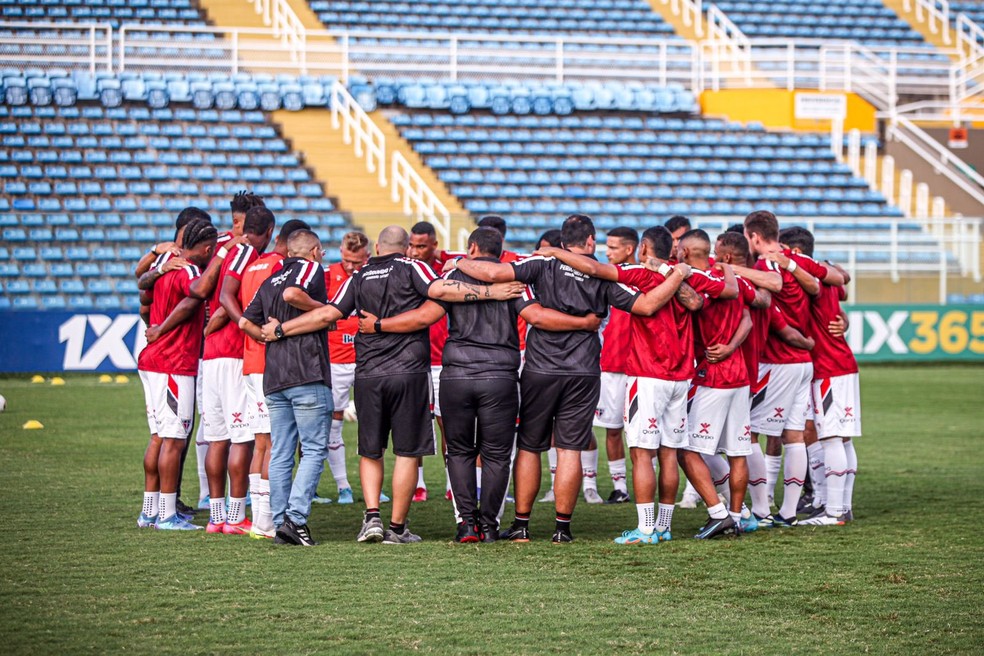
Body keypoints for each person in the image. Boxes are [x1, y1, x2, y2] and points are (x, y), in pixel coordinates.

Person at [259, 226, 524, 544]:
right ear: (405, 248)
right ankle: (397, 528)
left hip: (368, 374)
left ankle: (372, 517)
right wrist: (491, 293)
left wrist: (281, 330)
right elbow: (440, 294)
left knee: (371, 451)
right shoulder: (413, 267)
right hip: (409, 372)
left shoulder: (359, 276)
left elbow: (327, 313)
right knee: (408, 453)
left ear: (375, 247)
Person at [459, 215, 694, 543]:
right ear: (591, 241)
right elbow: (648, 305)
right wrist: (680, 273)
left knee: (529, 447)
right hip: (583, 371)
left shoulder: (540, 262)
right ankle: (561, 529)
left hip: (541, 368)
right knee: (569, 449)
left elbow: (495, 273)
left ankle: (522, 526)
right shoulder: (601, 273)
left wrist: (458, 261)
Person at [365, 227, 601, 543]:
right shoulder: (513, 283)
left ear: (471, 247)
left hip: (457, 374)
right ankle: (489, 524)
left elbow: (425, 316)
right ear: (500, 251)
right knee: (496, 455)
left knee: (460, 451)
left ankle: (466, 524)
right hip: (500, 375)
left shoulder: (452, 284)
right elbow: (535, 315)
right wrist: (584, 322)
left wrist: (380, 325)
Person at [535, 226, 727, 544]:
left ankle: (647, 529)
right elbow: (708, 298)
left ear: (644, 248)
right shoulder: (687, 276)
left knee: (641, 453)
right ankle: (663, 526)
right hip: (681, 376)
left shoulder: (641, 272)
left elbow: (595, 268)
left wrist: (556, 251)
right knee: (669, 454)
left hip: (648, 374)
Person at [239, 229, 331, 546]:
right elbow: (293, 295)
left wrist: (266, 336)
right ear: (314, 250)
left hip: (274, 375)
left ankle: (280, 523)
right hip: (306, 371)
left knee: (281, 451)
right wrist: (324, 309)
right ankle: (295, 520)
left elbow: (244, 322)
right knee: (314, 449)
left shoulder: (269, 280)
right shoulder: (309, 268)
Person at [136, 219, 224, 530]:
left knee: (159, 437)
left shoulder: (164, 264)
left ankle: (150, 510)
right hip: (173, 363)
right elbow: (195, 295)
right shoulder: (189, 271)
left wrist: (154, 326)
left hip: (153, 360)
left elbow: (143, 293)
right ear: (207, 248)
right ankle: (168, 515)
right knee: (174, 439)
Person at [774, 227, 859, 526]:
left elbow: (838, 278)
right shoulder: (824, 275)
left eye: (781, 250)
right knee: (843, 440)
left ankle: (834, 512)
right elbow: (843, 282)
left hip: (828, 366)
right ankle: (839, 506)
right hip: (842, 363)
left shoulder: (810, 277)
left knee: (833, 438)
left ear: (794, 253)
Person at [674, 229, 751, 539]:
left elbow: (693, 304)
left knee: (685, 449)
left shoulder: (701, 280)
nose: (676, 253)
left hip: (714, 374)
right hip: (740, 374)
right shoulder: (727, 276)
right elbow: (746, 315)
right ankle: (736, 516)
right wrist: (732, 346)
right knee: (737, 451)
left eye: (680, 249)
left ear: (688, 252)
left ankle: (717, 513)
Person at [201, 206, 274, 534]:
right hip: (233, 353)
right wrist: (241, 320)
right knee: (243, 439)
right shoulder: (245, 251)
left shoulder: (223, 249)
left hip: (211, 356)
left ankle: (216, 518)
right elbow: (228, 293)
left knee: (217, 440)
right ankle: (234, 517)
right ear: (269, 230)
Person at [318, 231, 371, 505]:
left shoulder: (372, 275)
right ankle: (343, 488)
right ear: (340, 251)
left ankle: (370, 487)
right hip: (336, 361)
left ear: (368, 257)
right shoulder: (326, 275)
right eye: (347, 260)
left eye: (357, 262)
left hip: (366, 359)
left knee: (372, 424)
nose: (351, 267)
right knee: (334, 424)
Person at [594, 227, 639, 504]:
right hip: (609, 365)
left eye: (612, 247)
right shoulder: (602, 278)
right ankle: (619, 487)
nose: (607, 252)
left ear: (629, 249)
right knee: (611, 428)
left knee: (642, 433)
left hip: (640, 368)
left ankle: (647, 482)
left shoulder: (645, 277)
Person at [407, 221, 449, 503]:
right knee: (415, 422)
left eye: (422, 246)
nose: (416, 251)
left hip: (444, 360)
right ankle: (419, 484)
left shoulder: (450, 264)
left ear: (434, 245)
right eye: (412, 245)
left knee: (449, 424)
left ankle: (450, 482)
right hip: (416, 360)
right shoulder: (405, 267)